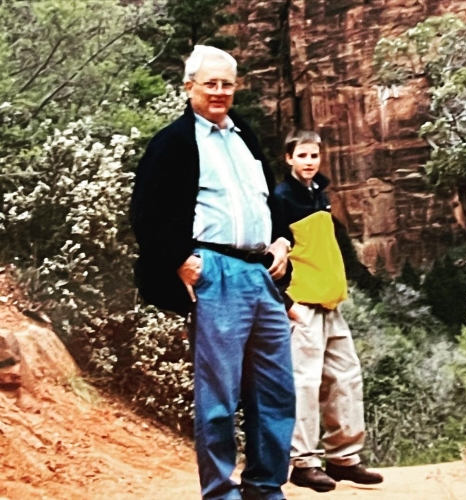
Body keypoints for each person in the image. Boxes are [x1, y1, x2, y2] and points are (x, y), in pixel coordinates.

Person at [129, 45, 296, 500]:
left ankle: (265, 487)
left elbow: (271, 203)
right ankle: (221, 492)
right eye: (211, 84)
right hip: (216, 271)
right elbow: (146, 212)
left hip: (261, 274)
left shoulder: (246, 138)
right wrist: (181, 259)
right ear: (189, 87)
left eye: (227, 84)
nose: (220, 92)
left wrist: (282, 241)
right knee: (219, 395)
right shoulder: (174, 142)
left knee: (276, 389)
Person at [274, 130, 384, 493]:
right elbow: (273, 253)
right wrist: (286, 303)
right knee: (304, 383)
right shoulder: (281, 199)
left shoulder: (318, 195)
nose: (309, 161)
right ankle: (302, 462)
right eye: (302, 155)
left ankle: (344, 458)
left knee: (346, 377)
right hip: (302, 303)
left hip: (330, 303)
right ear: (289, 158)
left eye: (314, 155)